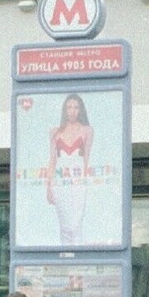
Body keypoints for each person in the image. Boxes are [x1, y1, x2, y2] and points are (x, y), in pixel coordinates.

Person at [45, 93, 94, 245]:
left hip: (78, 184)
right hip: (60, 184)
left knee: (75, 224)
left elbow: (86, 160)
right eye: (69, 107)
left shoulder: (87, 130)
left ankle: (78, 260)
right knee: (64, 225)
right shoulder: (55, 132)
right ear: (64, 110)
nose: (72, 110)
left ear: (80, 110)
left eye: (75, 107)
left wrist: (87, 183)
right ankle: (65, 258)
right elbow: (52, 160)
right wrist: (48, 187)